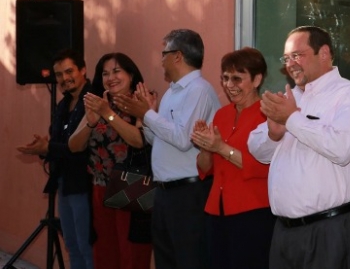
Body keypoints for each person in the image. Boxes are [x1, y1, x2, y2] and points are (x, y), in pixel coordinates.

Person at [248, 25, 350, 269]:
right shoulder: (289, 98)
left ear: (324, 53)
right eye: (286, 58)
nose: (290, 64)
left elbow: (341, 149)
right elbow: (257, 150)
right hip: (284, 231)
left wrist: (292, 119)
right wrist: (274, 134)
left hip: (330, 229)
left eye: (297, 55)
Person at [115, 29, 221, 269]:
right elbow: (159, 141)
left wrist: (147, 114)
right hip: (165, 193)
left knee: (189, 261)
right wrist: (146, 118)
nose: (161, 59)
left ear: (178, 56)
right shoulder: (172, 92)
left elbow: (183, 139)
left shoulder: (199, 90)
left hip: (188, 193)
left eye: (164, 53)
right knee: (166, 261)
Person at [191, 47, 275, 269]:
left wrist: (220, 147)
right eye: (225, 78)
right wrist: (206, 146)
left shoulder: (268, 115)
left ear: (257, 80)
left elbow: (263, 167)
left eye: (237, 78)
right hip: (216, 211)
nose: (229, 85)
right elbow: (205, 169)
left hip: (253, 212)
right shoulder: (222, 114)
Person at [68, 52, 153, 269]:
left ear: (131, 75)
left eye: (116, 71)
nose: (110, 78)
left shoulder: (141, 102)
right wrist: (91, 122)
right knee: (105, 254)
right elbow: (74, 146)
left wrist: (108, 115)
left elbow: (138, 141)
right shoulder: (98, 104)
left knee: (131, 255)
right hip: (100, 188)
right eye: (105, 73)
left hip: (131, 186)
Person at [17, 49, 94, 269]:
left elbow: (80, 148)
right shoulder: (62, 105)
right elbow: (59, 144)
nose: (64, 78)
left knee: (87, 246)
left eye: (69, 71)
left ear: (83, 70)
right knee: (72, 245)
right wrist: (42, 148)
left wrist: (48, 147)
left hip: (84, 185)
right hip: (64, 183)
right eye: (59, 74)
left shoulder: (93, 101)